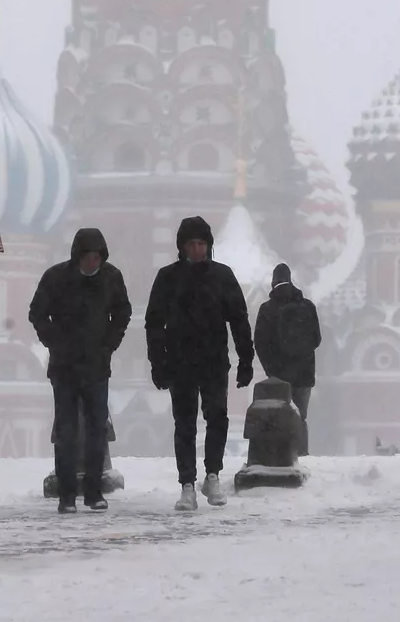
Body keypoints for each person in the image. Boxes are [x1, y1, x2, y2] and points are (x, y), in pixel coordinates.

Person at [146, 216, 253, 511]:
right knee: (184, 424)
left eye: (201, 244)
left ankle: (212, 475)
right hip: (180, 363)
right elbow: (154, 324)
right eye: (191, 244)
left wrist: (246, 359)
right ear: (181, 246)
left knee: (217, 418)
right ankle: (187, 484)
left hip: (214, 361)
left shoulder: (222, 276)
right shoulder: (168, 278)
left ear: (209, 246)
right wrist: (158, 362)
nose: (196, 250)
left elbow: (239, 320)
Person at [27, 228, 131, 513]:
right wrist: (55, 342)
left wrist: (108, 344)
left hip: (96, 367)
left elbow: (122, 312)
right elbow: (36, 312)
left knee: (97, 429)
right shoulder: (57, 278)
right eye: (88, 258)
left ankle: (94, 492)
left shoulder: (111, 278)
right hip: (65, 367)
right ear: (77, 256)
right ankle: (67, 495)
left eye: (97, 258)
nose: (93, 264)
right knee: (66, 429)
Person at [252, 261, 322, 456]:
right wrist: (302, 355)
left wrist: (271, 369)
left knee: (277, 416)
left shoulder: (267, 309)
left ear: (273, 283)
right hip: (304, 375)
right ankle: (301, 455)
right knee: (300, 416)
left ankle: (280, 456)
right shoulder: (307, 306)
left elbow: (260, 342)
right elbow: (317, 339)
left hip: (278, 374)